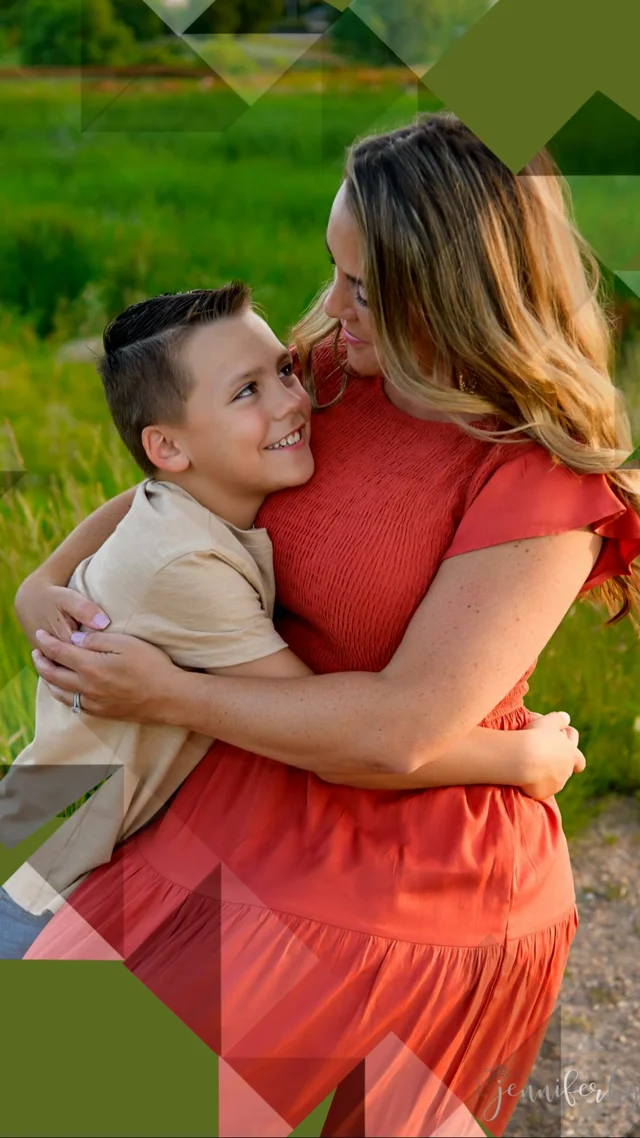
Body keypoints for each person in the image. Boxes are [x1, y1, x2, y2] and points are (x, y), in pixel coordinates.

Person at [17, 112, 640, 1136]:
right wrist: (45, 587)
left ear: (453, 294)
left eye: (363, 287)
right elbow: (175, 488)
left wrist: (163, 690)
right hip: (238, 794)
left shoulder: (537, 477)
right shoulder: (335, 372)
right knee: (54, 1086)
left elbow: (394, 732)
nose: (332, 309)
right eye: (336, 270)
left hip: (406, 874)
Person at [0, 282, 318, 958]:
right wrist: (518, 755)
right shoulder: (183, 565)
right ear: (169, 447)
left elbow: (135, 495)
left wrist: (41, 580)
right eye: (246, 392)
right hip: (37, 880)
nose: (293, 400)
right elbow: (317, 722)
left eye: (284, 370)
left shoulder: (178, 503)